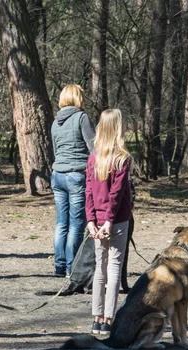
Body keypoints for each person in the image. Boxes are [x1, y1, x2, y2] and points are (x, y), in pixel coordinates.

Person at [85, 109, 133, 336]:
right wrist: (105, 221)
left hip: (101, 221)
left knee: (100, 269)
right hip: (117, 220)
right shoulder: (122, 158)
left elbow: (89, 193)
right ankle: (107, 319)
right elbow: (116, 194)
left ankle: (97, 318)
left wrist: (92, 220)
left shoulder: (94, 157)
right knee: (112, 268)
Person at [51, 84, 95, 278]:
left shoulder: (55, 122)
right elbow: (93, 147)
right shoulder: (81, 117)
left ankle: (59, 266)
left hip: (57, 174)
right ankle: (72, 267)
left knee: (61, 223)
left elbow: (55, 150)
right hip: (76, 174)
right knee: (76, 223)